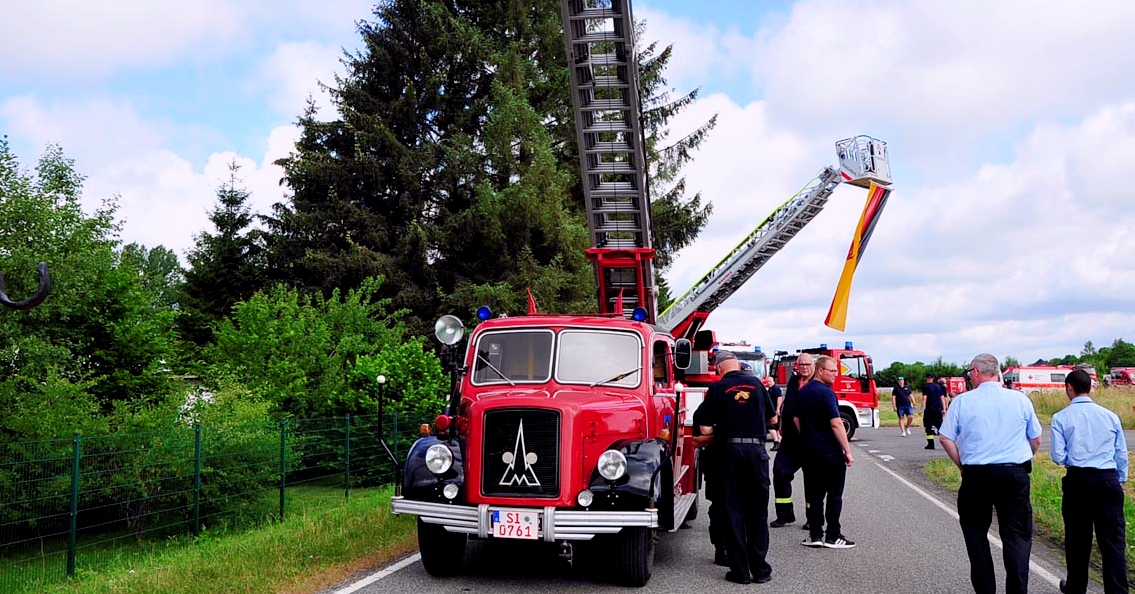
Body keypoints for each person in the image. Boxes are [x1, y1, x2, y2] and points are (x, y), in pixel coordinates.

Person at [939, 353, 1043, 594]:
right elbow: (1035, 439)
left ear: (976, 372)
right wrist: (1020, 458)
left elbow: (945, 437)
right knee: (1016, 537)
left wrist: (962, 465)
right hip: (1012, 473)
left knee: (976, 534)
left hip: (976, 475)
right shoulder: (1020, 400)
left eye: (969, 373)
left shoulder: (963, 401)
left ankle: (985, 590)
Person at [695, 350, 775, 584]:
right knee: (758, 513)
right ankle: (760, 571)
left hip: (730, 453)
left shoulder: (718, 388)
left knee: (734, 512)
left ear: (719, 368)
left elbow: (706, 430)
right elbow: (772, 419)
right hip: (756, 453)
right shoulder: (758, 386)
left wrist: (727, 428)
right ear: (738, 365)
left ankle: (740, 572)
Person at [1050, 369, 1129, 594]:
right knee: (1113, 541)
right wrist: (1119, 478)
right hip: (1107, 479)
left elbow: (1057, 455)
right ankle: (1117, 590)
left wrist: (1072, 459)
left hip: (1078, 480)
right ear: (1090, 387)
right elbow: (1120, 452)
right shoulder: (1110, 415)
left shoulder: (1061, 417)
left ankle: (1076, 586)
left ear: (1069, 387)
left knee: (1077, 540)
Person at [794, 355, 856, 549]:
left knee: (815, 496)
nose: (836, 375)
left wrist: (808, 436)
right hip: (830, 453)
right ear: (820, 371)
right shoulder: (826, 392)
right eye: (833, 371)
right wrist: (847, 450)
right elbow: (836, 423)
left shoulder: (803, 392)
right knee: (834, 494)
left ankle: (815, 535)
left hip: (810, 452)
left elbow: (796, 419)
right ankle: (833, 535)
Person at [770, 354, 813, 528]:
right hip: (789, 437)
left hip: (809, 439)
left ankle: (813, 518)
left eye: (807, 364)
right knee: (780, 472)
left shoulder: (818, 383)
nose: (803, 367)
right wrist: (781, 420)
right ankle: (785, 514)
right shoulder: (794, 381)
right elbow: (788, 403)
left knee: (811, 480)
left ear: (813, 365)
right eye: (801, 364)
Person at [921, 372, 946, 450]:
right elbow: (942, 398)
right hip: (938, 409)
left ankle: (931, 444)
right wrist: (944, 408)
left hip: (929, 410)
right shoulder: (938, 386)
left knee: (928, 427)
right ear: (933, 378)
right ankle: (947, 443)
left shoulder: (926, 387)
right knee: (940, 427)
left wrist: (921, 409)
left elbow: (924, 398)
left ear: (926, 378)